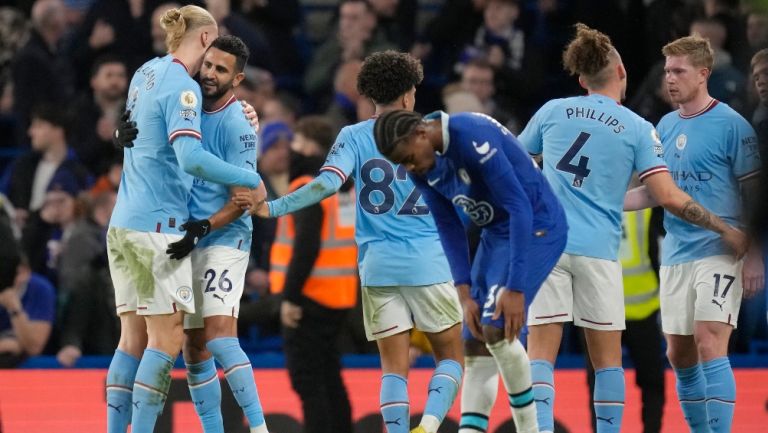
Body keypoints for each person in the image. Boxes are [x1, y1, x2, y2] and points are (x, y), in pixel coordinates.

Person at [517, 24, 748, 433]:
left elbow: (515, 167)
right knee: (607, 361)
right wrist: (723, 227)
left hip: (546, 247)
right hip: (597, 252)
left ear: (582, 78)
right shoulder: (638, 127)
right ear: (621, 72)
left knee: (539, 356)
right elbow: (668, 196)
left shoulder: (552, 111)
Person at [240, 50, 463, 433]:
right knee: (452, 358)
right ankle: (427, 425)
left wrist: (273, 208)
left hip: (377, 268)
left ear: (368, 95)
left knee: (393, 367)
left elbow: (325, 185)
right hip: (429, 262)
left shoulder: (353, 136)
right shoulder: (434, 131)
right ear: (410, 94)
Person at [104, 6, 265, 433]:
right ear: (208, 36)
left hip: (121, 223)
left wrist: (114, 136)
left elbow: (134, 129)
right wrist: (253, 177)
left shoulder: (146, 71)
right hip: (158, 227)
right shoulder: (184, 89)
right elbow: (190, 158)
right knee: (169, 338)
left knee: (131, 340)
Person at [373, 109, 568, 433]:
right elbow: (448, 225)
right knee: (475, 340)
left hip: (537, 226)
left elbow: (519, 206)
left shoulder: (471, 136)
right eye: (402, 163)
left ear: (421, 133)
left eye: (408, 158)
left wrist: (516, 287)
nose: (409, 168)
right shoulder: (421, 163)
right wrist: (463, 291)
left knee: (496, 329)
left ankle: (531, 429)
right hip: (496, 232)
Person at [628, 34, 763, 433]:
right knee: (679, 353)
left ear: (703, 74)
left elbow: (755, 193)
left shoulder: (732, 125)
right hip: (676, 253)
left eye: (678, 71)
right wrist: (604, 200)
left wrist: (752, 252)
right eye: (667, 70)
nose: (669, 79)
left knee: (709, 340)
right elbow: (657, 192)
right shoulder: (664, 127)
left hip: (721, 249)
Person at [269, 115, 357, 433]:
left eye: (295, 142)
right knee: (330, 378)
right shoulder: (344, 187)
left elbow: (306, 245)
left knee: (309, 383)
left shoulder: (306, 186)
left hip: (310, 298)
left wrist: (291, 297)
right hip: (340, 295)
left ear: (306, 144)